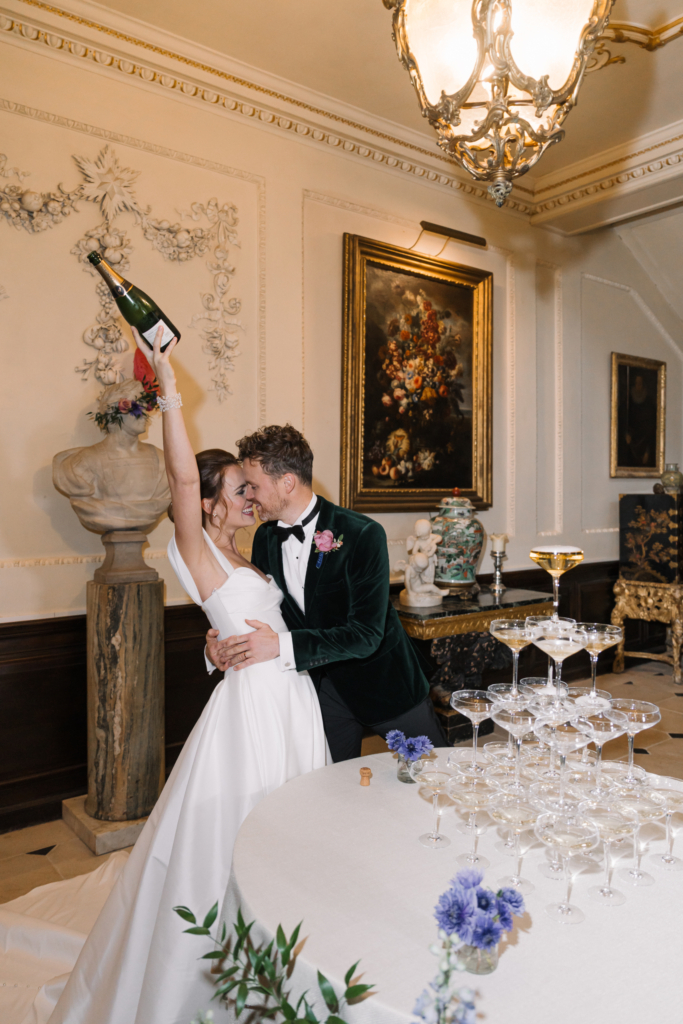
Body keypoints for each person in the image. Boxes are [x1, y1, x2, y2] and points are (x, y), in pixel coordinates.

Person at [44, 329, 328, 1024]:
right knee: (238, 837)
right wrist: (169, 389)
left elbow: (264, 619)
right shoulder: (193, 547)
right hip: (250, 714)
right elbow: (178, 478)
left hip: (290, 699)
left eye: (252, 488)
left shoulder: (253, 553)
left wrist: (214, 647)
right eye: (238, 488)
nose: (251, 496)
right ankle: (223, 975)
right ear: (205, 503)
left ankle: (289, 956)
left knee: (295, 835)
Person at [205, 424, 446, 762]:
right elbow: (264, 611)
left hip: (386, 686)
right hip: (319, 696)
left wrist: (282, 645)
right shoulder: (266, 538)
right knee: (329, 790)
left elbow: (366, 635)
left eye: (254, 486)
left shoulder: (363, 534)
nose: (250, 497)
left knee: (436, 775)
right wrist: (218, 647)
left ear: (287, 482)